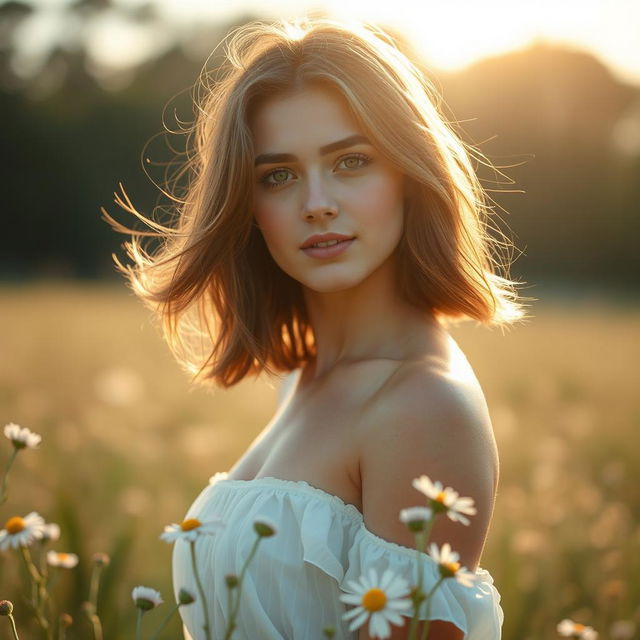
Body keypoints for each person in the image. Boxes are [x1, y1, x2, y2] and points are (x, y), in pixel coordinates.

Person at [105, 16, 524, 640]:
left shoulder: (421, 405)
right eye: (278, 175)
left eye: (351, 161)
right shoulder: (304, 374)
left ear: (409, 174)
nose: (316, 202)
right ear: (247, 209)